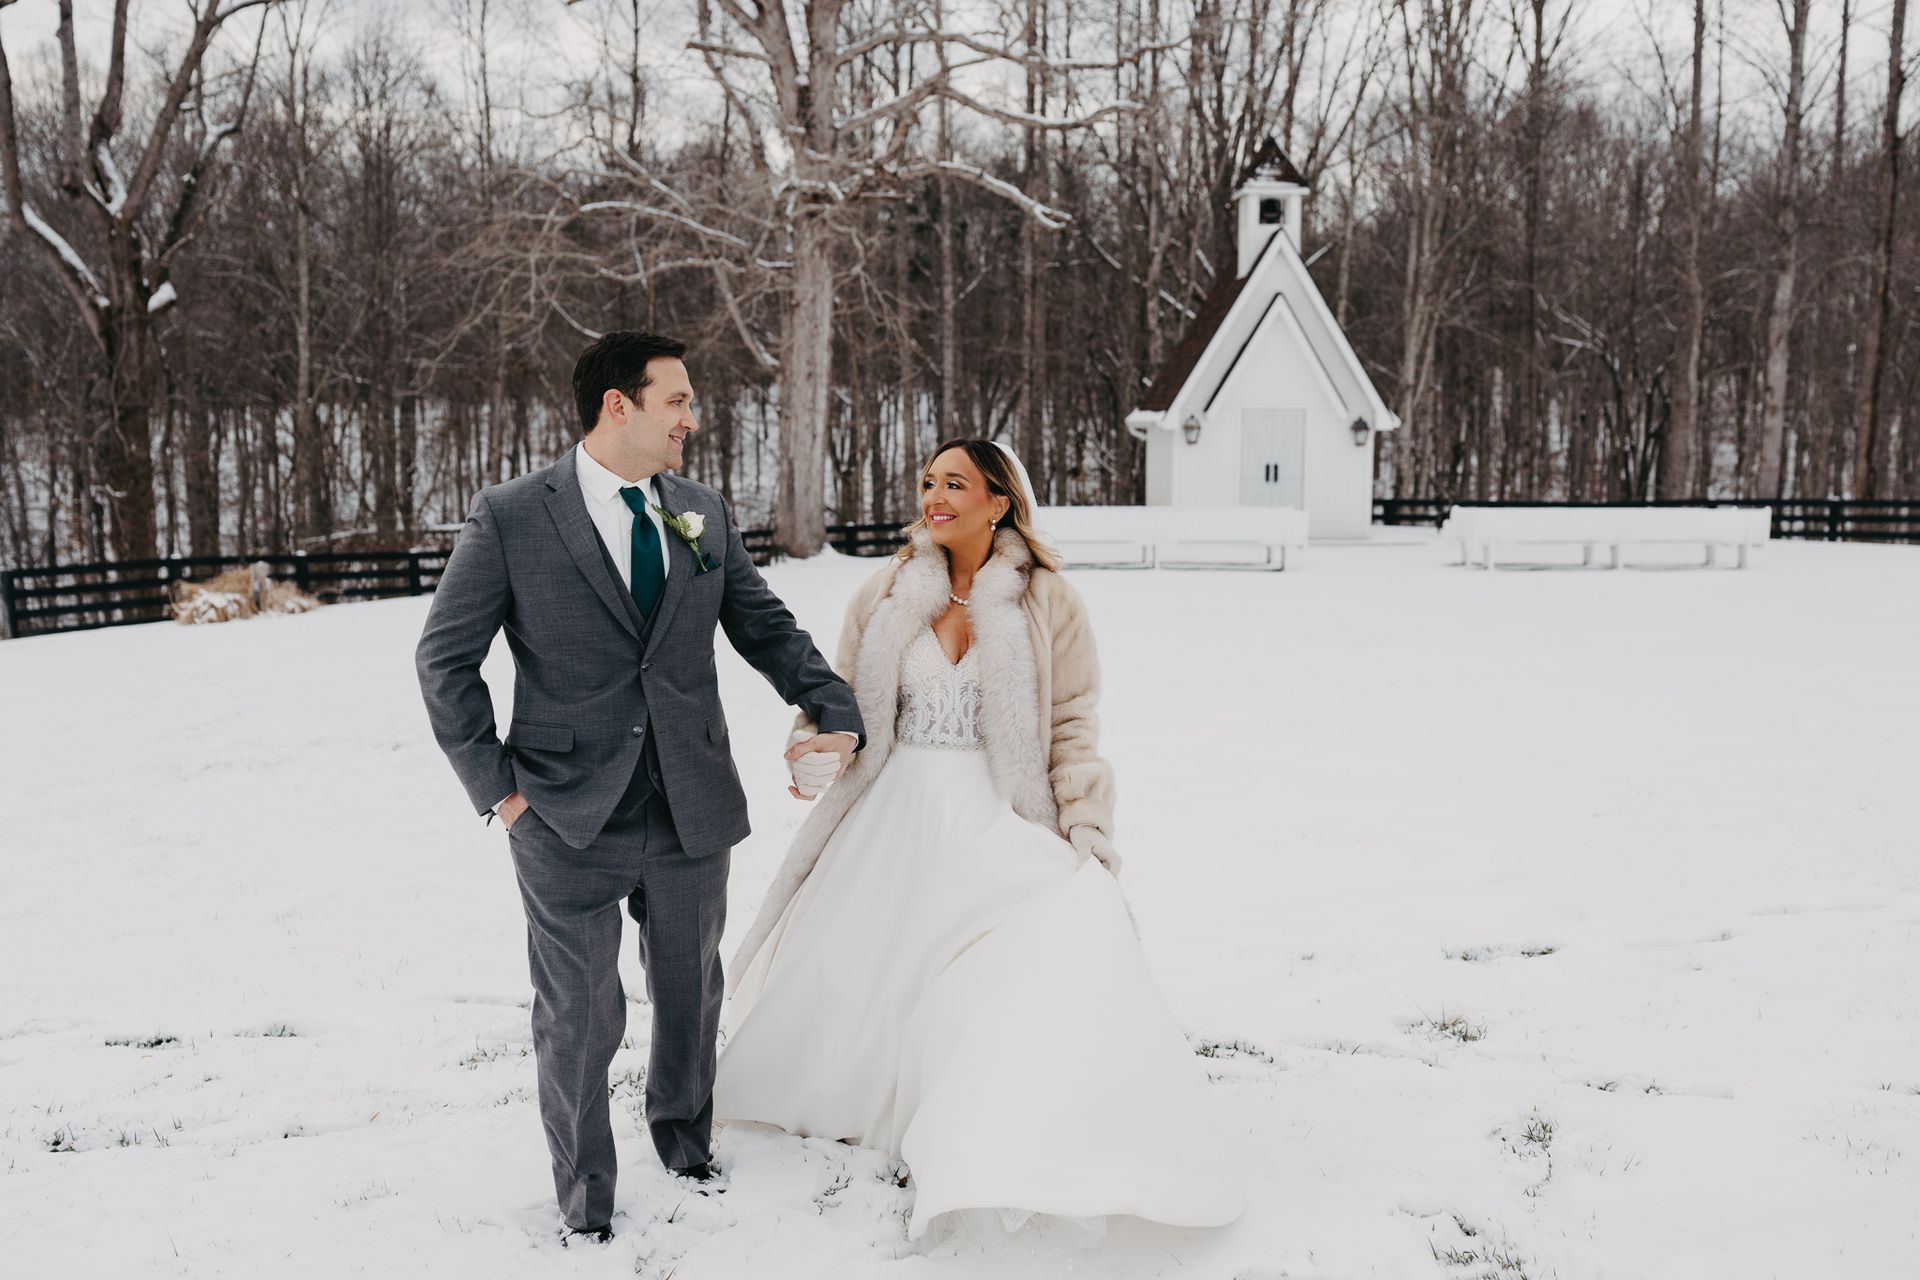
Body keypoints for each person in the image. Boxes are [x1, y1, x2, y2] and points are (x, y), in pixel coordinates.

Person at [714, 438, 1245, 1240]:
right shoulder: (885, 592)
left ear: (998, 503)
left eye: (955, 483)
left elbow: (1071, 728)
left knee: (1042, 939)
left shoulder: (1049, 603)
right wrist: (812, 741)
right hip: (889, 816)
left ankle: (998, 1131)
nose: (934, 495)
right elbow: (835, 695)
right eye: (928, 481)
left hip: (998, 814)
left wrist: (1087, 826)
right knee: (865, 974)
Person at [414, 331, 865, 1242]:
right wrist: (500, 791)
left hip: (690, 798)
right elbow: (444, 658)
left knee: (691, 990)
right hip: (563, 813)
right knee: (580, 1016)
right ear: (618, 406)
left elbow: (762, 626)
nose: (693, 420)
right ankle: (586, 1203)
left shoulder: (701, 509)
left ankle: (685, 1141)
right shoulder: (511, 516)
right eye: (679, 402)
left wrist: (833, 701)